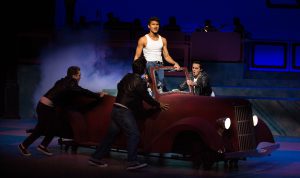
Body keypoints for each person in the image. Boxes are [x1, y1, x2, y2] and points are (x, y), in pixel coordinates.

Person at [89, 58, 169, 170]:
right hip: (123, 111)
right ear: (143, 69)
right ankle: (132, 162)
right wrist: (158, 104)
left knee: (111, 135)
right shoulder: (140, 82)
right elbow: (146, 97)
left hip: (116, 108)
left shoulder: (127, 77)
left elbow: (119, 86)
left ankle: (95, 158)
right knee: (134, 134)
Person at [18, 66, 106, 156]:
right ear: (74, 76)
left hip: (44, 106)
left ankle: (42, 146)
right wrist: (98, 95)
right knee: (41, 129)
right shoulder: (71, 84)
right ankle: (24, 146)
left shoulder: (63, 81)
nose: (80, 77)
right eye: (79, 75)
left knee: (52, 127)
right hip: (45, 107)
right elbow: (82, 91)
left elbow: (71, 93)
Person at [133, 16, 180, 92]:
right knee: (151, 86)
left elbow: (166, 56)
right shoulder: (143, 39)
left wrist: (175, 63)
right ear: (149, 26)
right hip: (148, 65)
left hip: (160, 66)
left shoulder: (163, 40)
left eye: (157, 24)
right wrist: (138, 72)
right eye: (153, 24)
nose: (155, 26)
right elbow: (137, 56)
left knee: (160, 87)